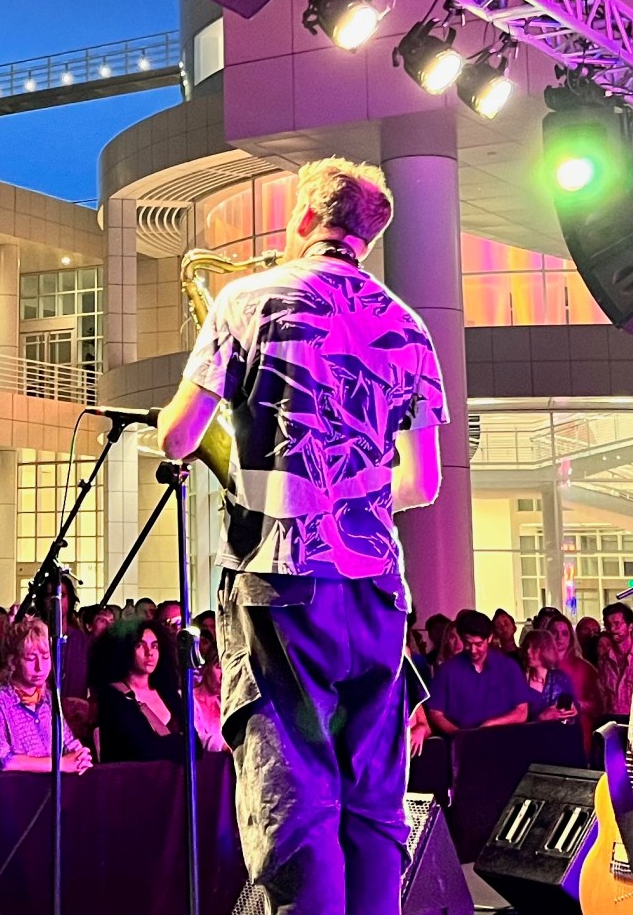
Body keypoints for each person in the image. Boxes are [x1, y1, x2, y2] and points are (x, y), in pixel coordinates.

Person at [155, 158, 445, 915]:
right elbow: (424, 484)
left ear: (307, 218)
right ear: (368, 237)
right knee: (374, 799)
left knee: (295, 796)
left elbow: (179, 436)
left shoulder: (246, 299)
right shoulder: (409, 326)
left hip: (280, 583)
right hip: (378, 590)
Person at [92, 619, 217, 762]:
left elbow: (196, 748)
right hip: (134, 781)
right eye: (140, 645)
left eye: (155, 646)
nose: (149, 653)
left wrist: (168, 744)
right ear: (124, 649)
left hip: (174, 781)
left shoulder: (167, 692)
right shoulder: (113, 696)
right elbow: (143, 751)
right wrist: (179, 741)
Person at [0, 616, 93, 773]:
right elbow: (5, 760)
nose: (40, 667)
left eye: (45, 657)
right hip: (18, 789)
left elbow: (68, 741)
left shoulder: (48, 696)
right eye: (30, 658)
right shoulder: (0, 701)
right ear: (13, 662)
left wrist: (80, 755)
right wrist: (60, 764)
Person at [427, 610, 530, 734]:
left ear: (490, 638)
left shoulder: (509, 667)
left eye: (479, 644)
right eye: (468, 643)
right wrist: (460, 735)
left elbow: (522, 712)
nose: (473, 650)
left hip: (503, 741)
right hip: (461, 746)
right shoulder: (447, 670)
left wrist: (490, 725)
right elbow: (435, 713)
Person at [519, 627, 578, 723]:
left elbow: (574, 714)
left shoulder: (561, 679)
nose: (528, 652)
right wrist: (541, 718)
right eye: (526, 647)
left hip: (560, 735)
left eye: (535, 648)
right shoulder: (520, 681)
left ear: (546, 650)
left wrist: (573, 711)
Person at [592, 602, 633, 722]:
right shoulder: (605, 662)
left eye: (617, 624)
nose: (612, 629)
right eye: (608, 625)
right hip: (614, 726)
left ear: (631, 626)